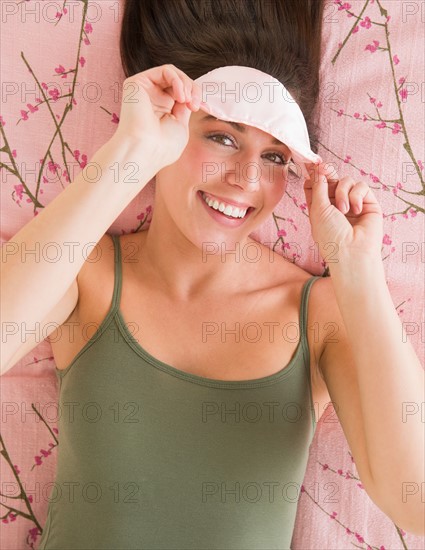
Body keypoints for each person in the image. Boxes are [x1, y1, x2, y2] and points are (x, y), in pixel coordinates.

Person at [1, 1, 424, 548]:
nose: (247, 178)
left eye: (275, 157)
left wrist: (359, 270)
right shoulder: (87, 272)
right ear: (168, 127)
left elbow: (415, 500)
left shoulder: (319, 311)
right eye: (222, 137)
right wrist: (131, 152)